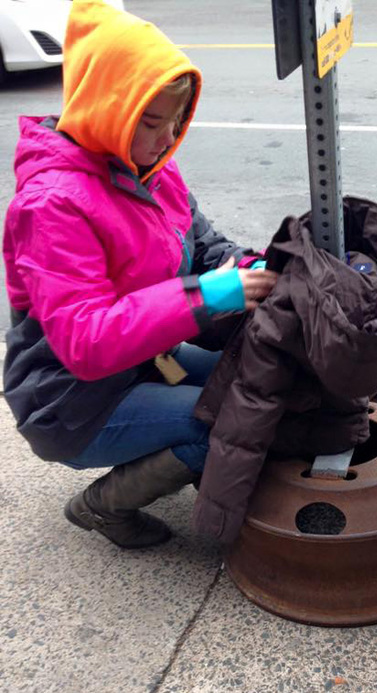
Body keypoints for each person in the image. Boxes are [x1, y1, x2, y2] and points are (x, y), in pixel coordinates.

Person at [2, 0, 277, 549]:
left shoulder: (151, 170)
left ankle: (184, 457)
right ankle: (101, 507)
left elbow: (206, 247)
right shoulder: (51, 204)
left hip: (148, 363)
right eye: (149, 121)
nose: (164, 138)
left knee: (250, 375)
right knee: (229, 425)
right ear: (105, 104)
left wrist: (259, 268)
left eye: (176, 122)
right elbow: (86, 342)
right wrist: (213, 295)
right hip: (72, 401)